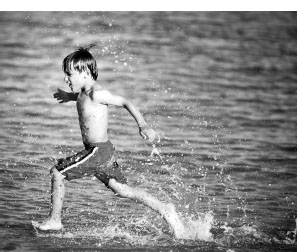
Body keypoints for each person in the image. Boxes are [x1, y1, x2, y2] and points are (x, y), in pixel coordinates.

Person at [32, 45, 186, 238]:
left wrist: (143, 125)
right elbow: (80, 98)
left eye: (69, 74)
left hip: (98, 151)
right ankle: (165, 209)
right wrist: (67, 96)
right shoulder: (83, 93)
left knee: (57, 173)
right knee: (121, 189)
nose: (65, 78)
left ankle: (55, 220)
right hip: (99, 151)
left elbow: (125, 102)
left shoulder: (97, 93)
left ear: (85, 73)